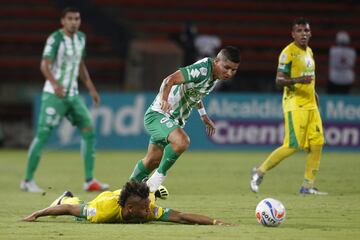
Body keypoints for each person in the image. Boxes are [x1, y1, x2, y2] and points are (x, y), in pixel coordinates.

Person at [128, 46, 240, 193]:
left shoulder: (215, 76)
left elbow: (196, 94)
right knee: (182, 141)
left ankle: (124, 194)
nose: (229, 73)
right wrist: (164, 100)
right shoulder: (202, 70)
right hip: (158, 115)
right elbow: (169, 80)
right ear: (217, 61)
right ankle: (154, 182)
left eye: (234, 70)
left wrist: (204, 116)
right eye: (227, 67)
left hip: (172, 121)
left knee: (151, 161)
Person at [20, 7, 108, 193]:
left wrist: (91, 88)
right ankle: (27, 181)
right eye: (70, 19)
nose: (74, 22)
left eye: (77, 18)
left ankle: (89, 180)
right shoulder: (55, 39)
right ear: (63, 21)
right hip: (54, 95)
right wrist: (55, 84)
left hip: (73, 95)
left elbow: (80, 65)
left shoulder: (81, 38)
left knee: (88, 129)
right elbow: (44, 65)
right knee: (42, 135)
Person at [250, 18, 327, 195]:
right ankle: (259, 171)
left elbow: (311, 79)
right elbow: (279, 81)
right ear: (293, 34)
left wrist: (314, 95)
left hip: (310, 105)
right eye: (299, 31)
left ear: (310, 33)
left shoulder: (310, 52)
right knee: (293, 145)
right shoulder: (288, 53)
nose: (303, 34)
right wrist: (299, 80)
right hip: (295, 104)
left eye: (306, 31)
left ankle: (307, 186)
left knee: (317, 143)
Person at [23, 181, 230, 225]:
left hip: (132, 194)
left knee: (152, 195)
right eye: (146, 207)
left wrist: (215, 222)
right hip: (106, 198)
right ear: (129, 209)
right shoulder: (102, 212)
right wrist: (37, 213)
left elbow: (181, 216)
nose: (150, 209)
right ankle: (66, 193)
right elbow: (68, 210)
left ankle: (156, 190)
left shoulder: (147, 207)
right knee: (79, 210)